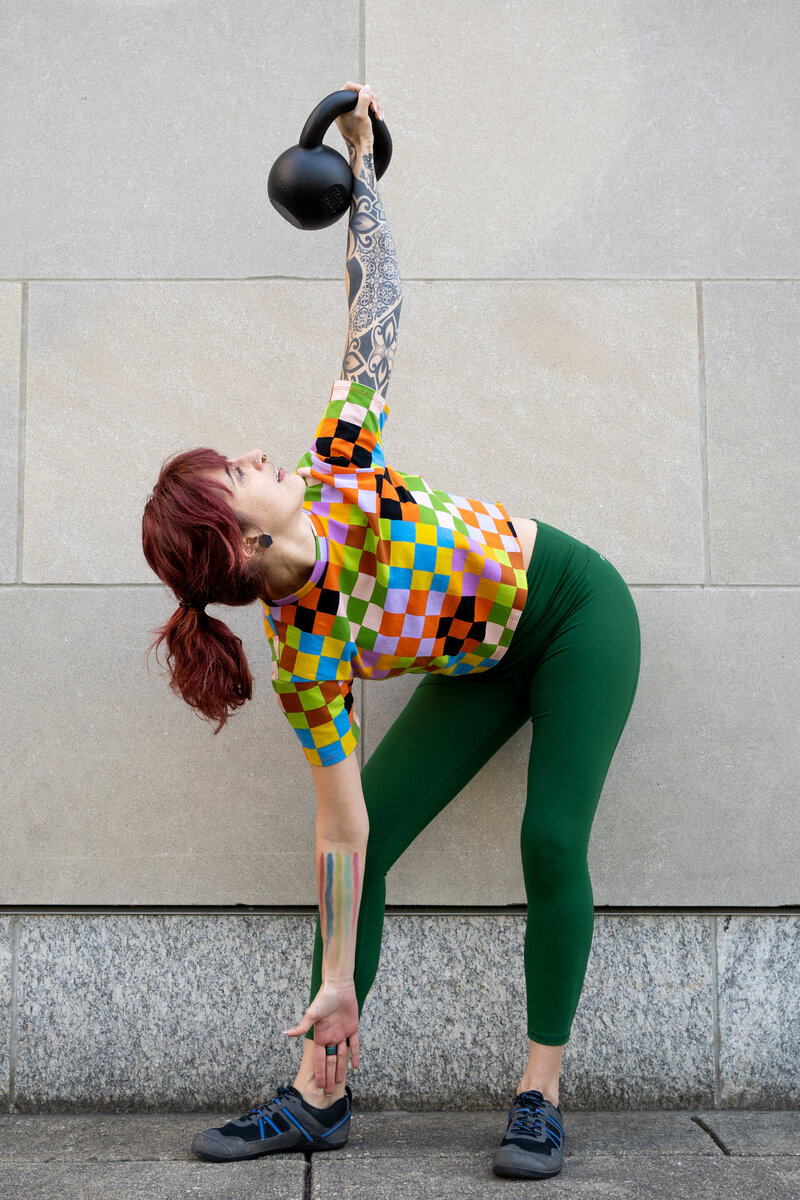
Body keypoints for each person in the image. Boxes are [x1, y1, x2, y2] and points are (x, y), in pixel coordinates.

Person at [141, 81, 641, 1182]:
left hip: (569, 610)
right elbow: (340, 832)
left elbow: (376, 312)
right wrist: (332, 972)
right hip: (481, 658)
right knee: (363, 863)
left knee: (548, 840)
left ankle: (537, 1094)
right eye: (235, 476)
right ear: (238, 547)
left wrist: (360, 182)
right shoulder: (303, 657)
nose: (256, 459)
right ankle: (320, 1090)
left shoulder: (339, 467)